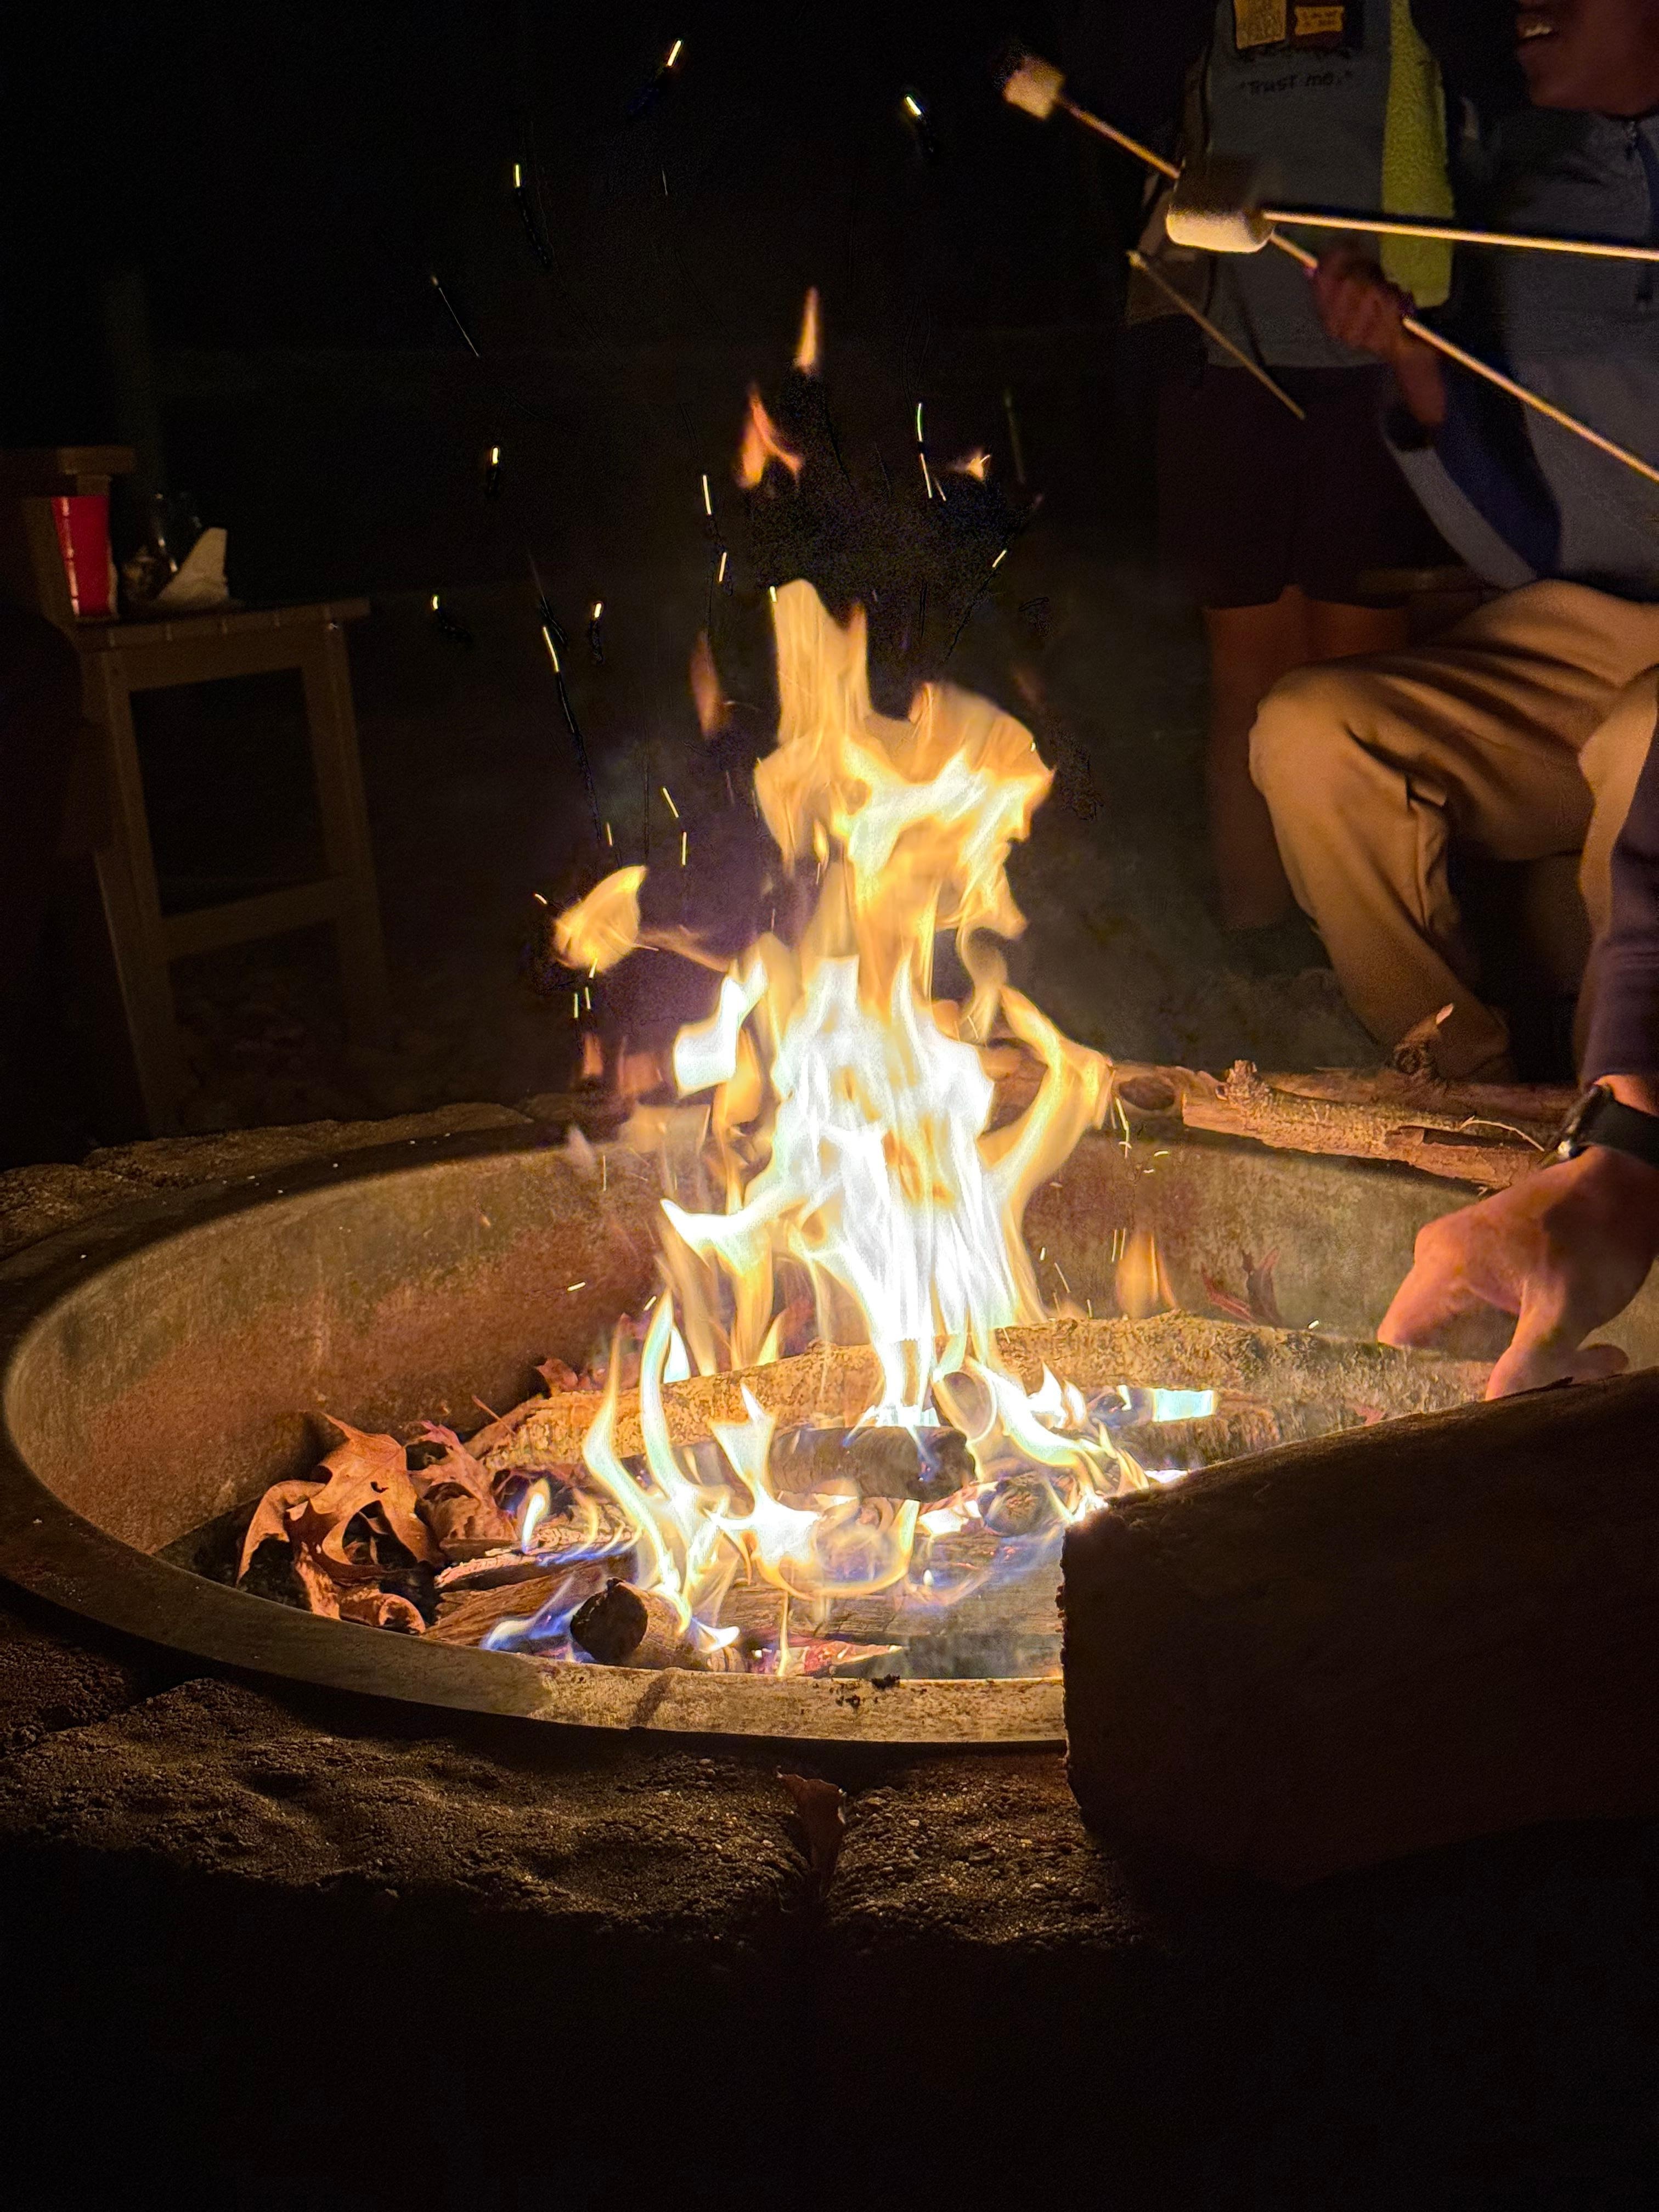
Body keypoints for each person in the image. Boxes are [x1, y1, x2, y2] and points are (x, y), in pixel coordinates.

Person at [1246, 0, 1659, 1392]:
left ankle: (1625, 1122)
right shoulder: (1523, 194)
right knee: (1312, 730)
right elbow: (1525, 542)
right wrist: (1415, 365)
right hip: (1588, 613)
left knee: (1649, 737)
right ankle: (1464, 1093)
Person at [1072, 0, 1520, 928]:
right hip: (1218, 336)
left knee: (1360, 666)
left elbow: (1493, 76)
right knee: (1245, 668)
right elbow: (1122, 80)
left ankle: (1369, 962)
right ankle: (1261, 965)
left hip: (1383, 341)